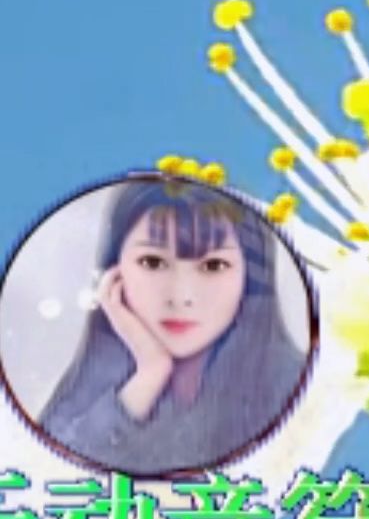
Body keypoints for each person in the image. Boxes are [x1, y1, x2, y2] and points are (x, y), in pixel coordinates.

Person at [30, 175, 310, 478]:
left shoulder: (298, 386)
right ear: (115, 272)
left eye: (213, 266)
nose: (181, 297)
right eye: (152, 262)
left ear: (252, 278)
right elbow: (48, 479)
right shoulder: (97, 375)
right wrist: (148, 374)